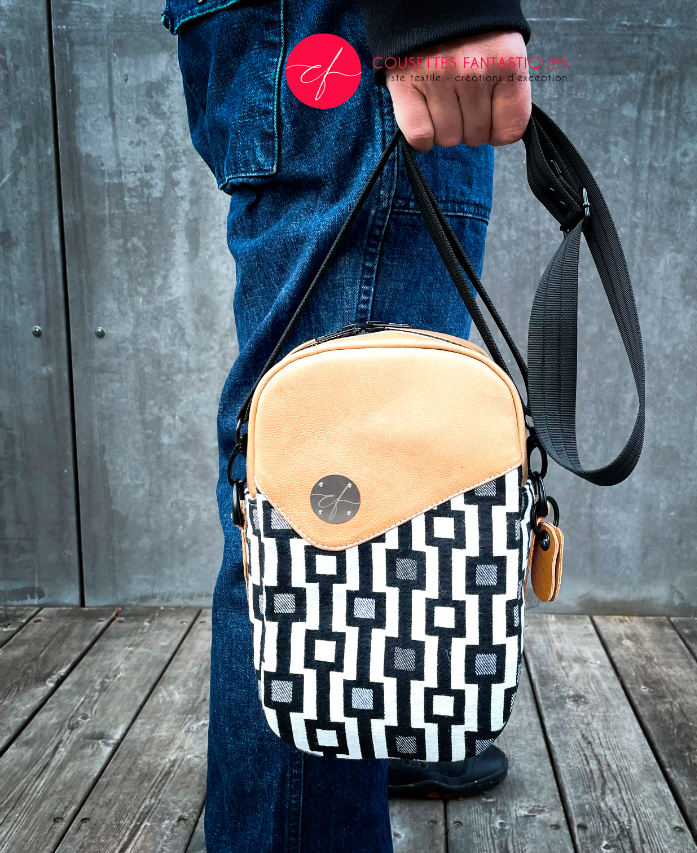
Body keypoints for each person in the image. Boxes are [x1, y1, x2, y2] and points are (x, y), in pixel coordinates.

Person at [162, 0, 532, 849]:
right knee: (320, 489)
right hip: (352, 28)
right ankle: (320, 772)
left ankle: (365, 719)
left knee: (352, 467)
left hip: (298, 29)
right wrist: (441, 9)